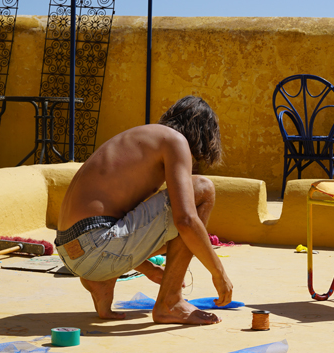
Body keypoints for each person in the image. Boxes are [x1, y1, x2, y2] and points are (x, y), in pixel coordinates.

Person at [54, 96, 233, 324]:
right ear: (203, 133)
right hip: (96, 247)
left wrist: (148, 269)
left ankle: (101, 280)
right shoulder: (176, 142)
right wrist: (219, 274)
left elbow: (116, 220)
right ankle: (171, 302)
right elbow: (186, 220)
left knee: (178, 230)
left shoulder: (141, 139)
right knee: (202, 190)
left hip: (71, 254)